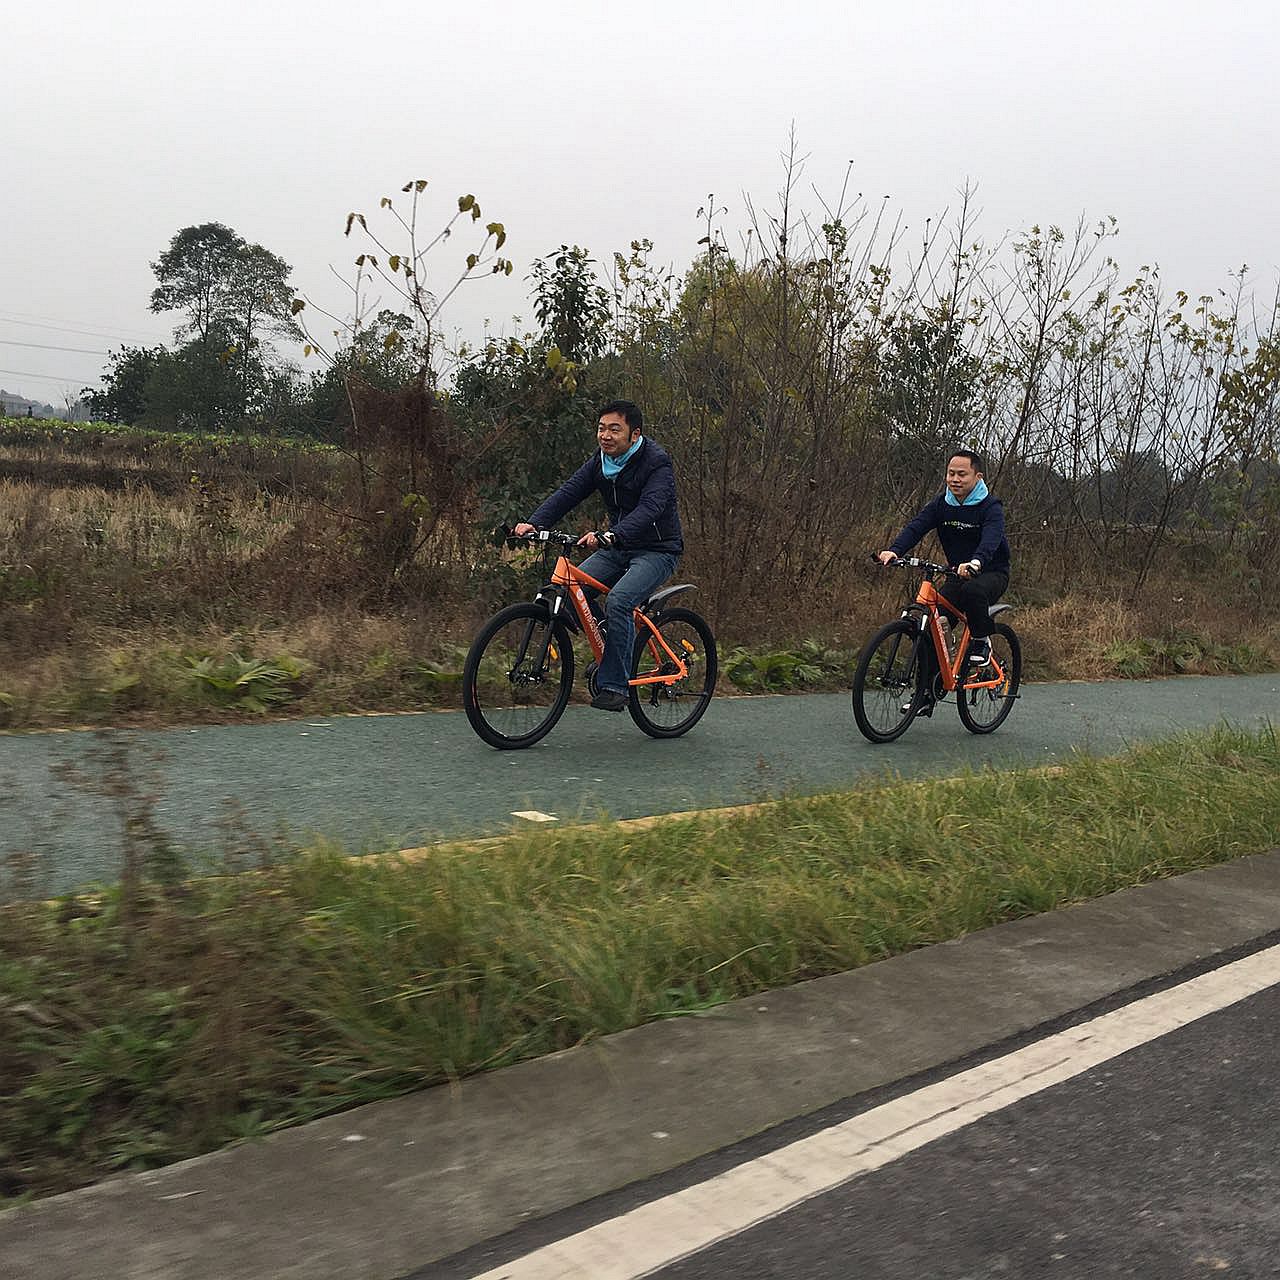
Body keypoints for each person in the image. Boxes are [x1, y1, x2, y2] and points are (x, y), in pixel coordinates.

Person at [513, 399, 683, 712]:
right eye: (602, 428)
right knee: (568, 589)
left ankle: (616, 686)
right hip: (617, 546)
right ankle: (612, 644)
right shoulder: (601, 462)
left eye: (614, 429)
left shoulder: (656, 462)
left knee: (619, 601)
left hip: (657, 550)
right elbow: (569, 492)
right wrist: (535, 523)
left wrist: (612, 534)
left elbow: (651, 508)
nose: (605, 435)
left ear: (634, 434)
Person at [877, 449, 1010, 668]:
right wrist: (895, 551)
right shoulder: (941, 505)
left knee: (973, 591)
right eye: (951, 473)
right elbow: (917, 527)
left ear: (977, 477)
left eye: (962, 474)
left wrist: (976, 562)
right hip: (956, 574)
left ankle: (981, 641)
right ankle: (929, 686)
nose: (955, 479)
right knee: (933, 627)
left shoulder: (990, 507)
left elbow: (991, 539)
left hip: (991, 573)